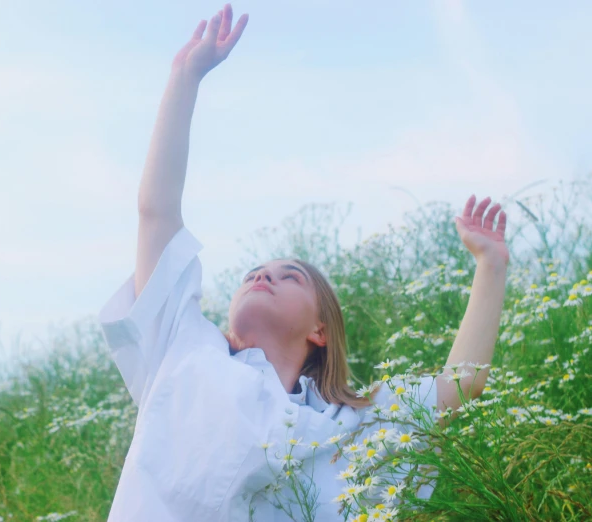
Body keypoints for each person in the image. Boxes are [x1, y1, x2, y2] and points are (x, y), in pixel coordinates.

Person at [97, 4, 510, 521]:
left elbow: (461, 386)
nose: (263, 275)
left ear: (320, 328)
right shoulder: (181, 347)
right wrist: (185, 78)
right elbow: (156, 213)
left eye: (289, 275)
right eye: (253, 273)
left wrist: (491, 266)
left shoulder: (353, 424)